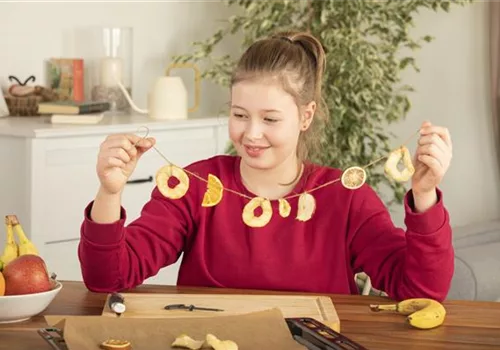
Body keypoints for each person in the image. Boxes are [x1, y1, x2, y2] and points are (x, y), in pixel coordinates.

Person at [78, 31, 454, 302]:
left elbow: (421, 291)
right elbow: (107, 278)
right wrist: (110, 192)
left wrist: (423, 196)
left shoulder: (346, 197)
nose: (251, 134)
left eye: (270, 119)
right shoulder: (195, 185)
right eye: (240, 114)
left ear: (305, 116)